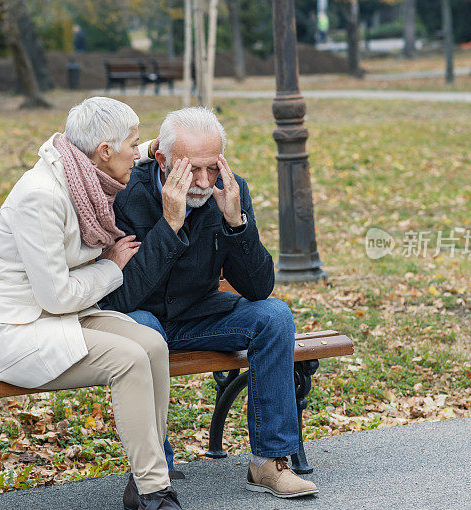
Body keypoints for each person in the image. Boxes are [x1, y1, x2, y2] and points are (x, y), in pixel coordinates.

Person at [100, 107, 319, 501]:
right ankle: (156, 472)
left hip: (202, 315)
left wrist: (237, 224)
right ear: (163, 160)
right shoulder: (127, 197)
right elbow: (121, 298)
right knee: (144, 328)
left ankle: (269, 462)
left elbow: (258, 287)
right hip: (143, 320)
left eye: (212, 167)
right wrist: (169, 226)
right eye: (192, 170)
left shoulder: (229, 191)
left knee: (274, 316)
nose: (203, 182)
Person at [0, 97, 182, 510]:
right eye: (132, 145)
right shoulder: (42, 196)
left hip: (64, 320)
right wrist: (111, 266)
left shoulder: (82, 171)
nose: (136, 154)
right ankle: (155, 491)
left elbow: (127, 152)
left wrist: (164, 145)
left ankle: (146, 479)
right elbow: (56, 296)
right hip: (21, 332)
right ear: (104, 150)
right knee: (128, 358)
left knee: (153, 346)